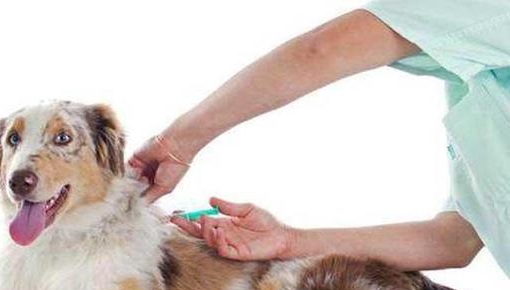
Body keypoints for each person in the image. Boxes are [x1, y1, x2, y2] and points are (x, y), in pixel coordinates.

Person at [128, 0, 510, 275]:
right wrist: (288, 242)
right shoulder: (483, 85)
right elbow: (453, 241)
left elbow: (324, 49)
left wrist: (178, 143)